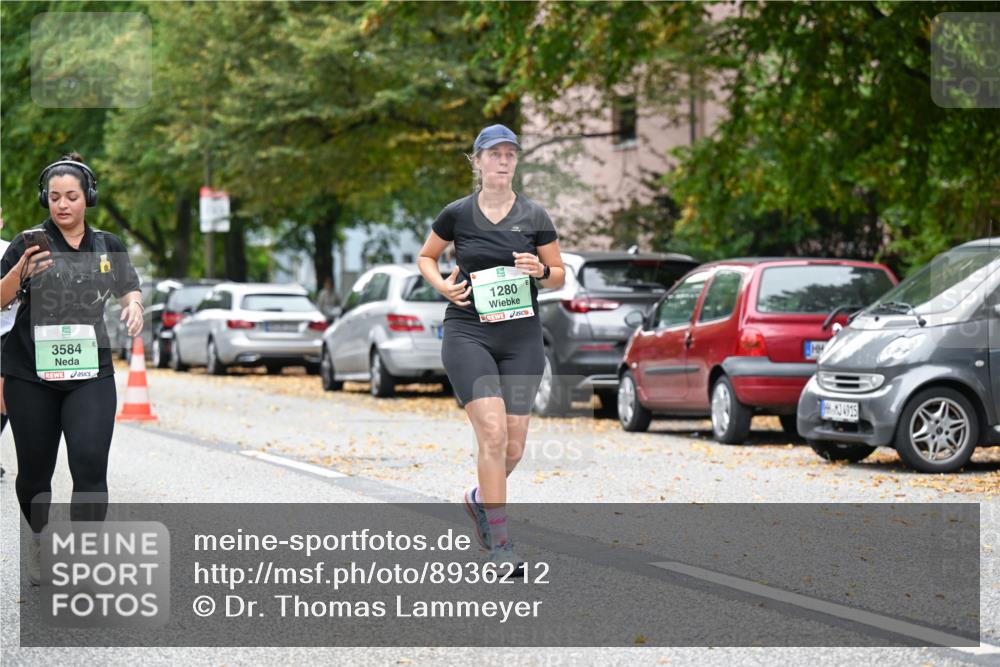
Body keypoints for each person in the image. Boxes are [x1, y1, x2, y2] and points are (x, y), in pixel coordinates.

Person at [417, 125, 565, 568]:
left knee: (514, 447)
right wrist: (442, 285)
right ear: (477, 161)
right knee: (494, 435)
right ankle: (502, 547)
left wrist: (539, 270)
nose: (503, 160)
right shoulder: (457, 214)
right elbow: (427, 256)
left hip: (521, 338)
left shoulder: (535, 215)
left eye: (510, 153)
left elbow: (558, 273)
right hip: (469, 333)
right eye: (494, 153)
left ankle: (480, 498)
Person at [0, 153, 143, 584]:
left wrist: (134, 307)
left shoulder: (107, 245)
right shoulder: (28, 242)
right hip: (30, 374)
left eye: (72, 197)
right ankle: (39, 539)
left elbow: (128, 287)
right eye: (54, 197)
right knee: (35, 474)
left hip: (90, 373)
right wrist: (20, 272)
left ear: (88, 198)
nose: (62, 205)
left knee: (88, 461)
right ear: (46, 199)